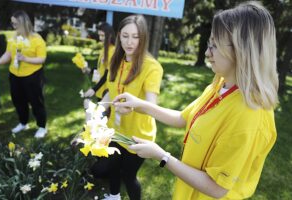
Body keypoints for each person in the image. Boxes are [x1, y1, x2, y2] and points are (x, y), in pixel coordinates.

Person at [113, 2, 278, 200]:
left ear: (241, 50)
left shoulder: (250, 115)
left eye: (214, 45)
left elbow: (217, 188)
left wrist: (162, 156)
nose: (207, 53)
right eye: (209, 44)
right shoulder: (220, 85)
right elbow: (183, 118)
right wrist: (140, 104)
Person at [90, 15, 163, 200]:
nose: (130, 42)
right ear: (119, 36)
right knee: (113, 166)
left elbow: (151, 105)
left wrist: (133, 108)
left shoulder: (152, 67)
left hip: (138, 134)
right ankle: (114, 196)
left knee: (128, 176)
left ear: (143, 37)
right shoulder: (117, 60)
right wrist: (97, 111)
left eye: (136, 36)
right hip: (115, 129)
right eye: (125, 35)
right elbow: (110, 91)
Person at [0, 11, 47, 138]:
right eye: (12, 23)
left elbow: (42, 59)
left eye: (15, 23)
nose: (13, 25)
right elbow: (8, 54)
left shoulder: (37, 39)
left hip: (33, 75)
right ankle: (23, 122)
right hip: (15, 75)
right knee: (18, 101)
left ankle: (42, 127)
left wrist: (25, 59)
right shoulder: (13, 37)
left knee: (36, 102)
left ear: (23, 23)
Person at [82, 22, 115, 101]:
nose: (100, 38)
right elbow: (100, 69)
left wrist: (94, 89)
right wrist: (88, 70)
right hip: (100, 91)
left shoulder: (113, 51)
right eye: (99, 35)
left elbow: (107, 74)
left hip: (106, 93)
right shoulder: (104, 49)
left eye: (103, 35)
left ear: (110, 35)